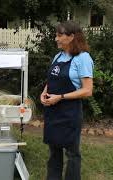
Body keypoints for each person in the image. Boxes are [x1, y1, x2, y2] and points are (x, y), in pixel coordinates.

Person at [40, 21, 93, 180]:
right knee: (54, 152)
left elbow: (87, 90)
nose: (56, 38)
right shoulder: (58, 56)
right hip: (52, 112)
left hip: (69, 114)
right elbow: (51, 80)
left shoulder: (83, 58)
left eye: (59, 35)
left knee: (72, 154)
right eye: (56, 35)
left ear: (71, 37)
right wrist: (45, 92)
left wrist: (61, 97)